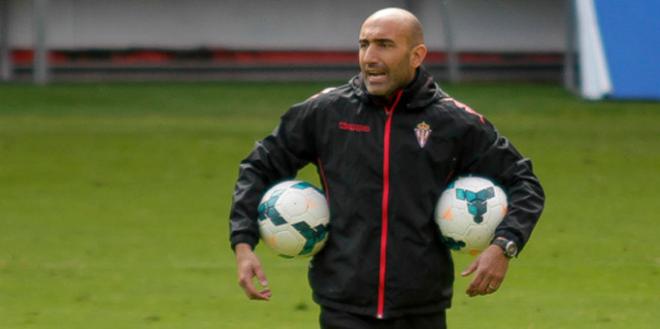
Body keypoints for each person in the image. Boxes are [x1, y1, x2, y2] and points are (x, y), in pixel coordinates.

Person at [230, 7, 545, 329]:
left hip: (421, 309)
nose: (370, 57)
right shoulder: (325, 112)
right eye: (364, 44)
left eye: (384, 44)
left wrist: (504, 246)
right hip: (343, 307)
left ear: (416, 55)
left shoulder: (454, 123)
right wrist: (244, 244)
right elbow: (258, 166)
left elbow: (524, 183)